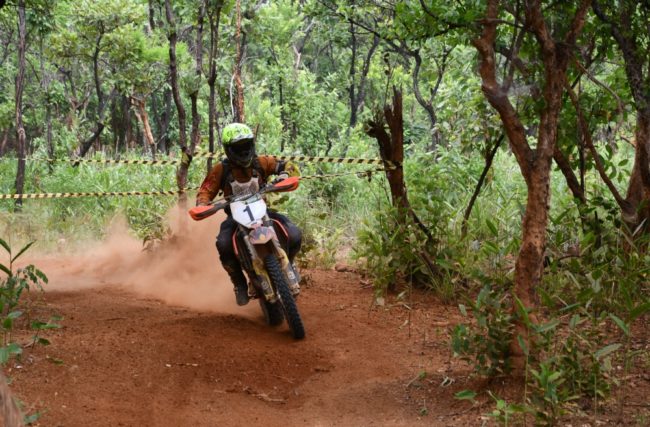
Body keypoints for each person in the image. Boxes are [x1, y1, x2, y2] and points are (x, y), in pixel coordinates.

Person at [196, 123, 302, 306]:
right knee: (223, 244)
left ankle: (290, 263)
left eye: (246, 145)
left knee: (294, 233)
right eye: (238, 148)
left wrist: (285, 174)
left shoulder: (261, 162)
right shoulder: (221, 169)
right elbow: (206, 190)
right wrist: (203, 204)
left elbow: (287, 165)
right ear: (229, 149)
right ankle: (239, 284)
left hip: (262, 213)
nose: (243, 151)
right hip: (235, 218)